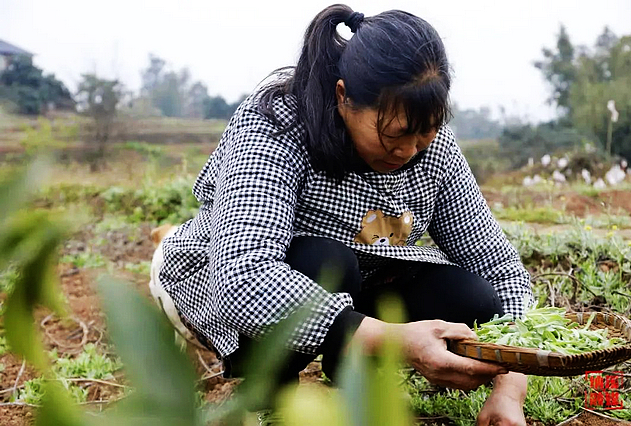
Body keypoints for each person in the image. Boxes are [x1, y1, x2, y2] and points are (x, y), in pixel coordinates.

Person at [154, 4, 534, 425]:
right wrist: (396, 339)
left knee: (471, 297)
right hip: (219, 278)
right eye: (393, 134)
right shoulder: (276, 124)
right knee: (327, 263)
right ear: (343, 98)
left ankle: (352, 380)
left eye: (423, 134)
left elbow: (502, 271)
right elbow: (242, 277)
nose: (408, 151)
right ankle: (269, 389)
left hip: (359, 281)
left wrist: (510, 389)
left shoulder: (434, 148)